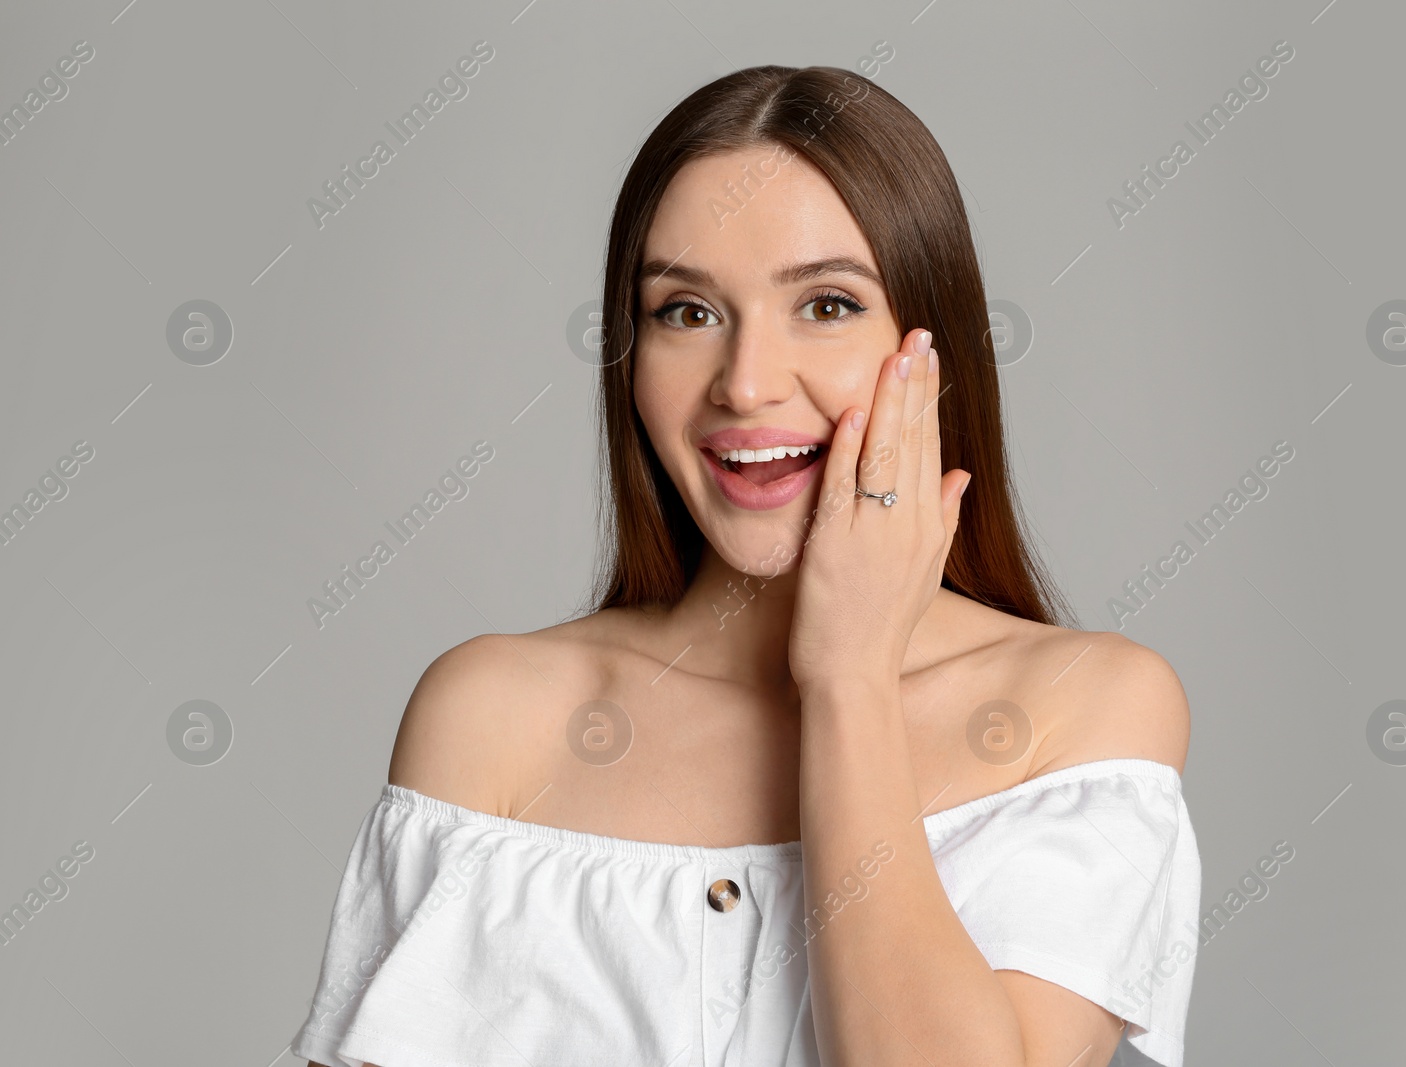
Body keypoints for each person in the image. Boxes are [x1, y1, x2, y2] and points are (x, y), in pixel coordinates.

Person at [291, 63, 1200, 1067]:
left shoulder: (1083, 710)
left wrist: (847, 678)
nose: (746, 383)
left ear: (930, 349)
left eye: (824, 304)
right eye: (686, 311)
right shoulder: (493, 714)